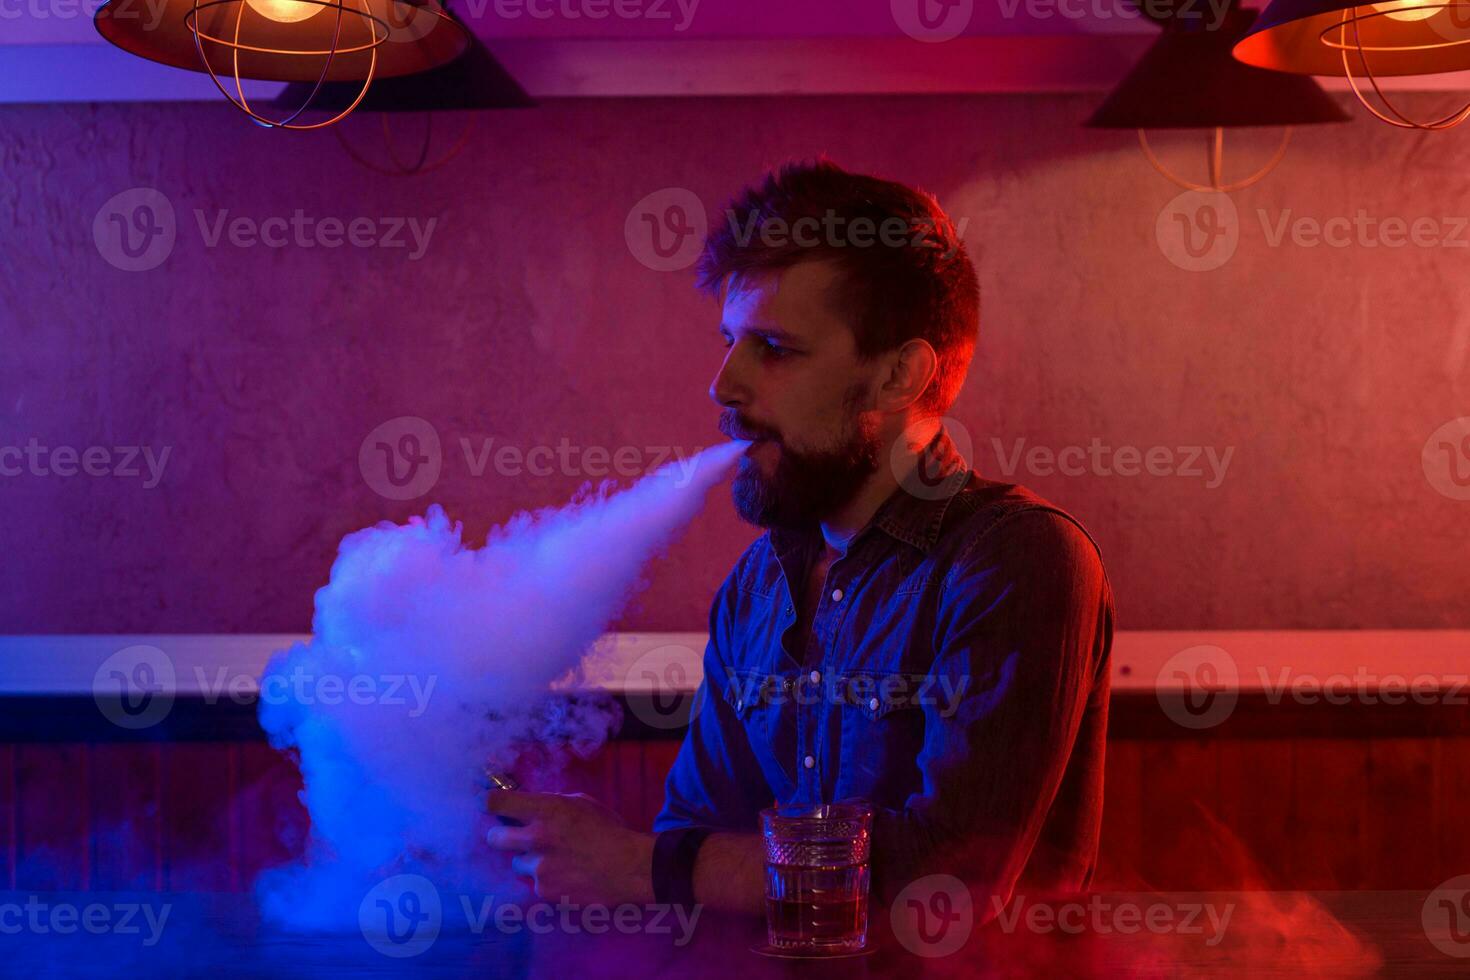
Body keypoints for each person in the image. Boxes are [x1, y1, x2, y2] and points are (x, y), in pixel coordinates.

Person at [486, 159, 1114, 927]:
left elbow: (947, 887)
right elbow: (697, 835)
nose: (724, 387)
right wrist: (581, 846)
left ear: (898, 376)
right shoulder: (759, 584)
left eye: (775, 349)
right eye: (729, 341)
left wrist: (635, 864)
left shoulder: (1016, 559)